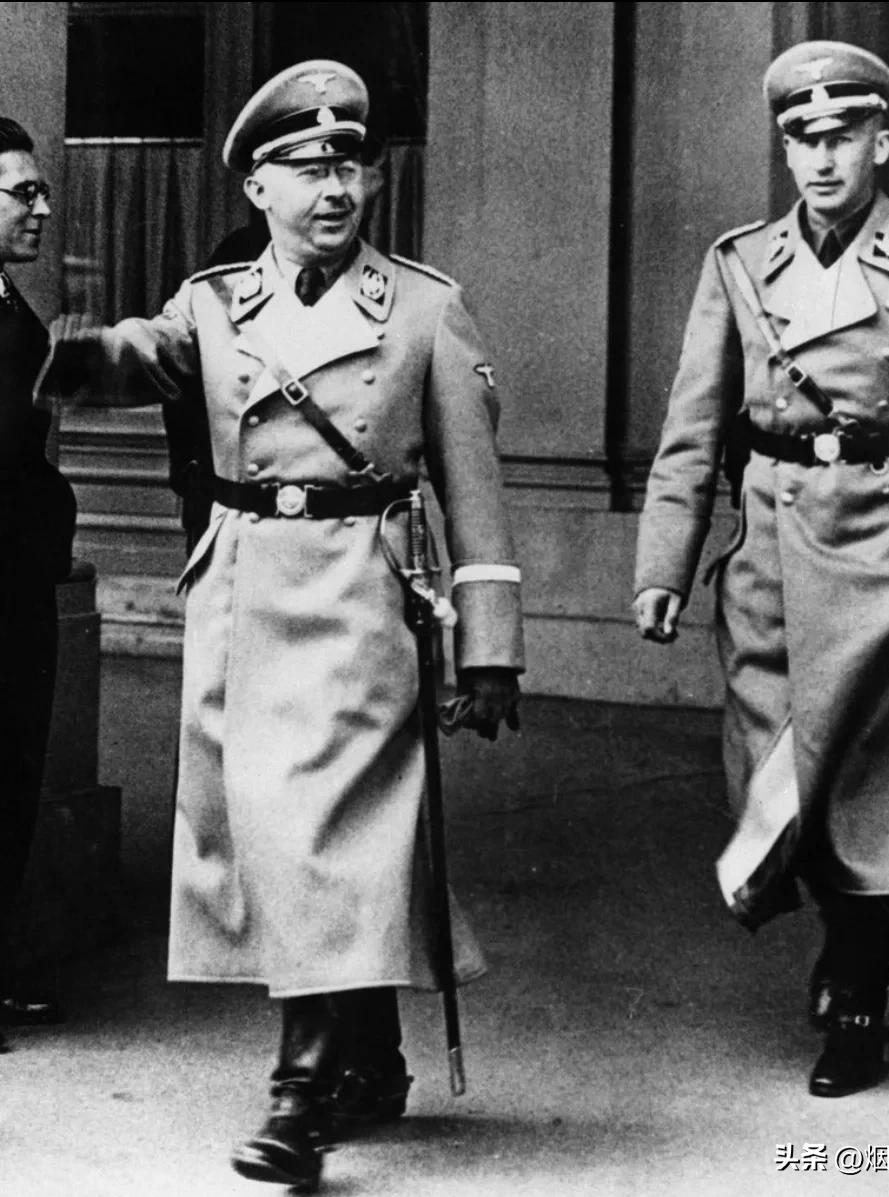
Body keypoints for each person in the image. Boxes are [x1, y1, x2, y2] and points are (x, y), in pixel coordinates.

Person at [45, 61, 524, 1186]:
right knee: (283, 839)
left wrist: (491, 648)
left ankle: (298, 1095)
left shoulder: (424, 309)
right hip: (241, 592)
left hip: (361, 598)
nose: (334, 189)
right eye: (306, 169)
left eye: (350, 167)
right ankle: (372, 1054)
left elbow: (474, 488)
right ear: (258, 187)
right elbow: (143, 354)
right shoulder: (214, 303)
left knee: (319, 833)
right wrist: (64, 352)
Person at [633, 41, 889, 1098]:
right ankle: (840, 933)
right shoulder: (740, 264)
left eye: (843, 137)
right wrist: (665, 563)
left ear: (883, 142)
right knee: (772, 771)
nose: (821, 160)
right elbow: (693, 427)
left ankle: (859, 989)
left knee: (877, 776)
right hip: (773, 542)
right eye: (802, 140)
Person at [0, 118, 77, 1052]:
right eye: (23, 192)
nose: (43, 208)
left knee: (14, 769)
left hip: (17, 583)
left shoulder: (10, 299)